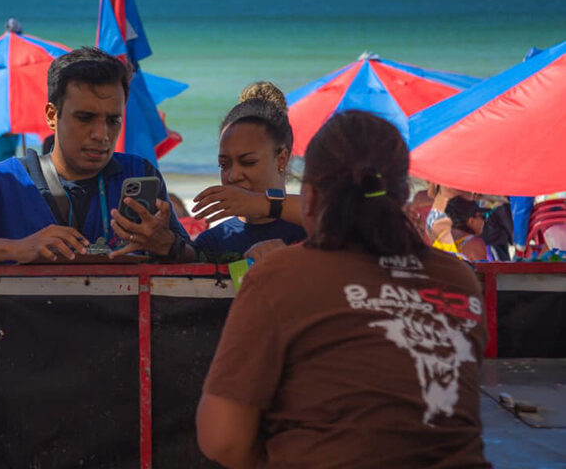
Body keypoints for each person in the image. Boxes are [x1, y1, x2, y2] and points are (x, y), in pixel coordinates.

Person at [197, 110, 489, 469]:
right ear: (403, 193)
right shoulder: (458, 278)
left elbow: (222, 440)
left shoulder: (280, 276)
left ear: (310, 196)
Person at [0, 47, 194, 264]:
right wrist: (18, 248)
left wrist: (167, 245)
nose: (102, 134)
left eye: (113, 120)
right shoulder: (5, 181)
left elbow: (193, 257)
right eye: (85, 118)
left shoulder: (138, 174)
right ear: (52, 116)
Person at [193, 99, 305, 259]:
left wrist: (262, 203)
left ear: (282, 159)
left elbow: (345, 216)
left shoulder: (313, 230)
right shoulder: (213, 243)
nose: (233, 176)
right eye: (224, 165)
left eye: (248, 162)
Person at [444, 196, 489, 261]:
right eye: (483, 216)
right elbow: (483, 270)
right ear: (471, 221)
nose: (484, 221)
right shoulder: (475, 243)